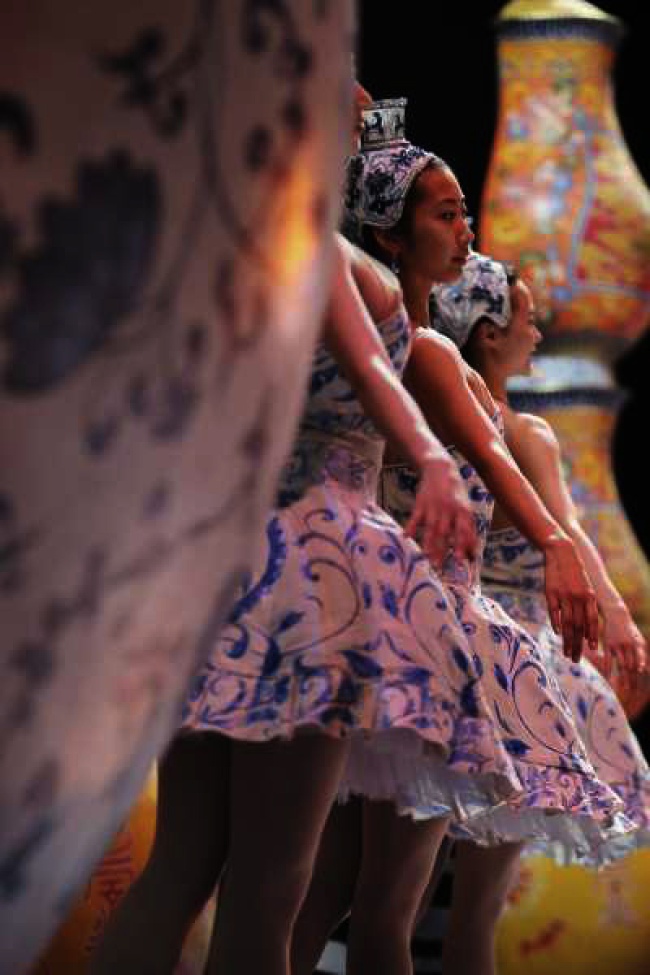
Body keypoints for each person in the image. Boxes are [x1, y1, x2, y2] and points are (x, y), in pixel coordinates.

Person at [90, 80, 496, 975]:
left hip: (220, 554)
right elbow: (370, 370)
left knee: (186, 862)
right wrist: (429, 457)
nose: (361, 112)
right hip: (312, 564)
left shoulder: (211, 239)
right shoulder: (301, 235)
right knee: (271, 881)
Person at [290, 102, 629, 975]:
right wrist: (559, 548)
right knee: (375, 899)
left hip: (380, 610)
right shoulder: (421, 351)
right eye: (447, 215)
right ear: (392, 237)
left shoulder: (390, 347)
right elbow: (490, 472)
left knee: (327, 889)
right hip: (419, 622)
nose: (466, 229)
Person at [427, 251, 650, 975]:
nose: (538, 332)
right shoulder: (525, 433)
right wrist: (616, 611)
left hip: (443, 647)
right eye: (527, 318)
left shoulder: (435, 421)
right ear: (489, 333)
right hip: (513, 666)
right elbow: (570, 531)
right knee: (472, 908)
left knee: (391, 893)